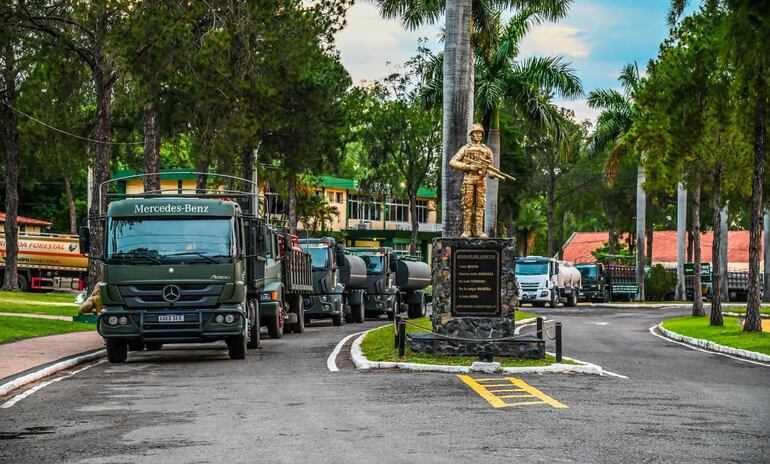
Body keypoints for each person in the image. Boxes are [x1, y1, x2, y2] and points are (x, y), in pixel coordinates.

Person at [449, 123, 496, 238]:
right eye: (476, 133)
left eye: (480, 133)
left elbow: (491, 167)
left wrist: (491, 174)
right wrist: (469, 167)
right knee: (467, 205)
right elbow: (452, 162)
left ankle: (479, 231)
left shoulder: (487, 150)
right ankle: (467, 231)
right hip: (469, 179)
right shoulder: (465, 149)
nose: (478, 135)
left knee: (480, 206)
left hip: (481, 180)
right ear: (471, 134)